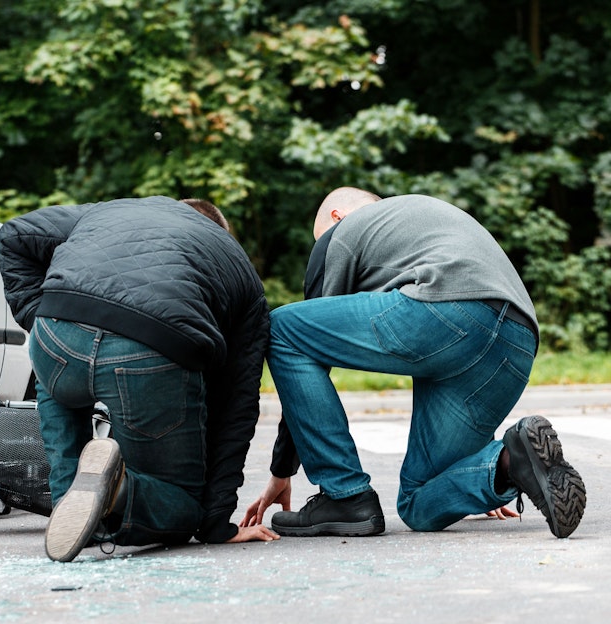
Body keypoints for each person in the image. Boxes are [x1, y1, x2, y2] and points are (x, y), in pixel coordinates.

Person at [241, 187, 586, 539]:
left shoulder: (342, 233)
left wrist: (281, 471)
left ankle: (344, 496)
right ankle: (510, 464)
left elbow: (304, 347)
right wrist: (474, 471)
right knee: (417, 503)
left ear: (336, 217)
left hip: (444, 313)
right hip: (518, 341)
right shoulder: (425, 223)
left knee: (284, 329)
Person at [0, 195, 279, 562]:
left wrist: (38, 318)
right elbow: (235, 406)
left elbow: (13, 234)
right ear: (218, 231)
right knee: (182, 507)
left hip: (58, 337)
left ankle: (72, 504)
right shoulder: (237, 265)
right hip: (151, 349)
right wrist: (215, 523)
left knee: (55, 388)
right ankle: (117, 491)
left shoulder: (112, 209)